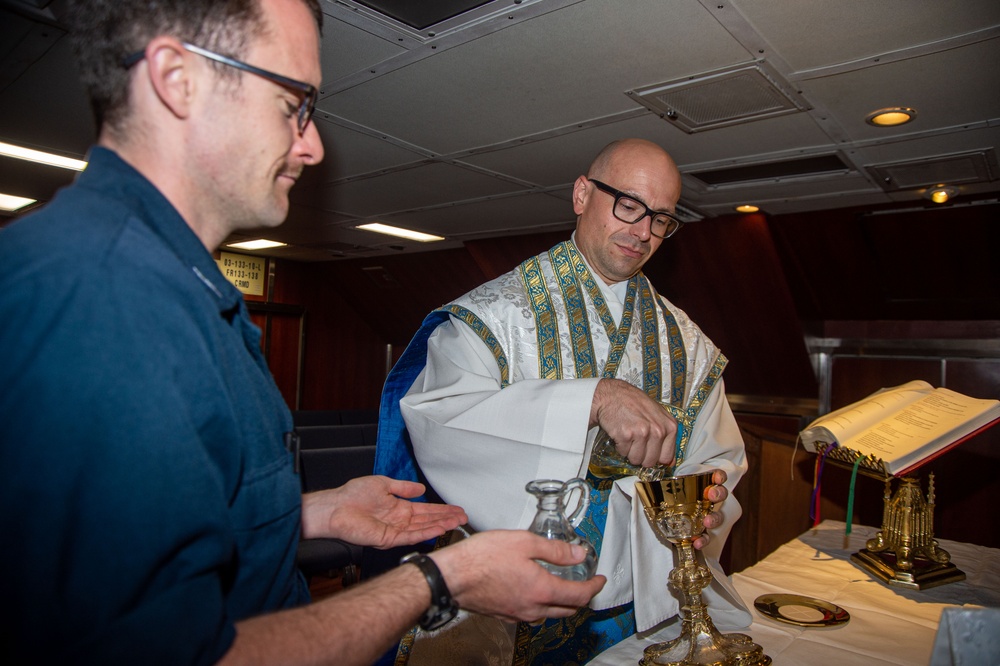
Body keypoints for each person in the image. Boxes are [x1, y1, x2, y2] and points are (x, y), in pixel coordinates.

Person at [0, 0, 606, 664]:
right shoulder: (97, 301)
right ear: (178, 79)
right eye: (294, 103)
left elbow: (176, 530)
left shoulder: (176, 288)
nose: (313, 145)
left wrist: (318, 513)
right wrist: (443, 578)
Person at [376, 138, 752, 663]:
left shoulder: (686, 342)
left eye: (662, 218)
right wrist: (589, 399)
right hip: (517, 599)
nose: (642, 231)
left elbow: (719, 457)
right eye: (628, 204)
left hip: (646, 598)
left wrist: (707, 501)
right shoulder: (497, 315)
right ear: (581, 195)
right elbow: (439, 416)